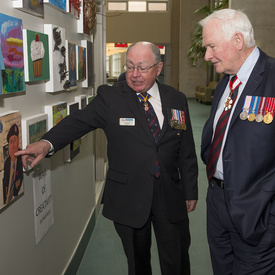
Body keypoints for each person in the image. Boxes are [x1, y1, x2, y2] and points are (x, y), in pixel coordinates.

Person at [16, 41, 198, 275]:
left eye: (142, 68)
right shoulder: (111, 97)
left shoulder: (176, 99)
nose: (134, 74)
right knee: (137, 263)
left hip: (169, 194)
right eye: (129, 66)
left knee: (177, 261)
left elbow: (186, 149)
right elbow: (78, 121)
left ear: (158, 68)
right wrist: (47, 143)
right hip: (129, 196)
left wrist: (190, 190)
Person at [200, 9, 275, 275]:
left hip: (259, 212)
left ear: (238, 41)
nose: (207, 55)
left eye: (211, 46)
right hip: (218, 202)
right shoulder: (225, 83)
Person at [3, 124, 23, 204]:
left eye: (15, 140)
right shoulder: (7, 162)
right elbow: (5, 181)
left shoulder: (22, 157)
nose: (13, 145)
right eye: (11, 142)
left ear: (18, 142)